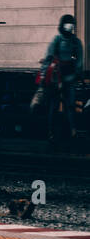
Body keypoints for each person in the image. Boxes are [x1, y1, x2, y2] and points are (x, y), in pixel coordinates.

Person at [42, 14, 83, 143]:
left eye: (71, 24)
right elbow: (49, 57)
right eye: (67, 23)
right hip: (56, 79)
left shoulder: (76, 42)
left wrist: (76, 72)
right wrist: (44, 73)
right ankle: (51, 132)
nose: (69, 27)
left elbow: (79, 60)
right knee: (54, 106)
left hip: (69, 78)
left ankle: (71, 131)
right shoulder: (57, 40)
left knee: (70, 106)